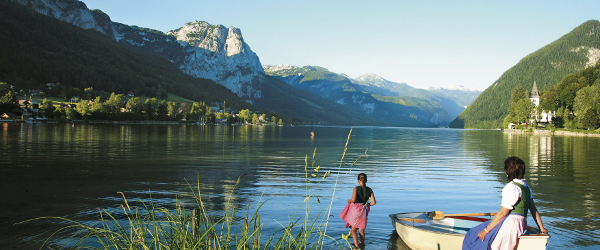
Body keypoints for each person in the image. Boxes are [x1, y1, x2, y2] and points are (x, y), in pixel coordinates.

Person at [462, 156, 548, 250]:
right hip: (521, 223)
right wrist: (541, 228)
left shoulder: (512, 188)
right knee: (477, 234)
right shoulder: (526, 188)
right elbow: (533, 210)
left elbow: (503, 213)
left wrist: (485, 231)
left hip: (511, 224)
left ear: (508, 173)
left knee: (490, 244)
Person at [339, 173, 376, 250]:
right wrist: (366, 204)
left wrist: (349, 201)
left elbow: (353, 199)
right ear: (366, 180)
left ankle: (355, 246)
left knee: (354, 229)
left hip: (356, 211)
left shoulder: (356, 188)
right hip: (364, 211)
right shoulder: (369, 190)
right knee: (361, 230)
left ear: (358, 180)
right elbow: (373, 202)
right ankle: (362, 246)